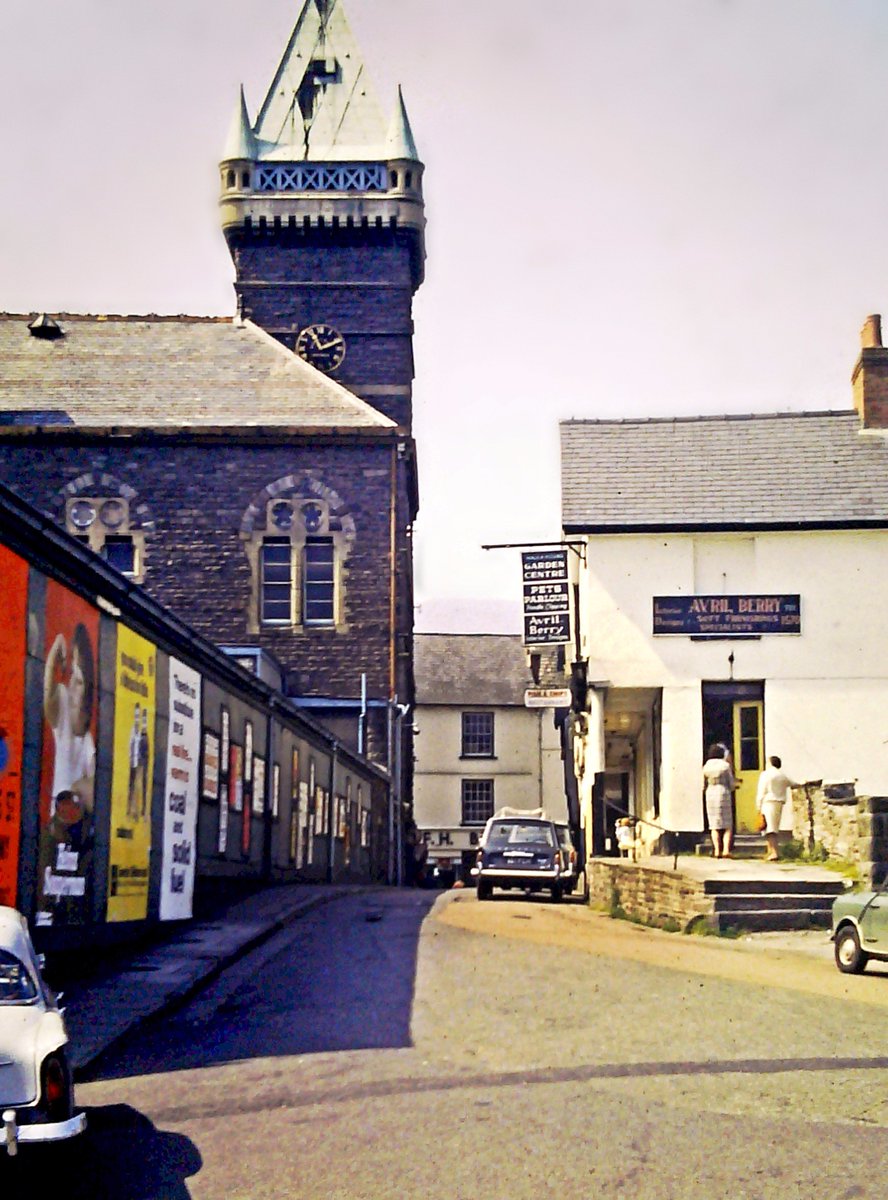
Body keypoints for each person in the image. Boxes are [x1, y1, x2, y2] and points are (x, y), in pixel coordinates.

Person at [43, 625, 96, 821]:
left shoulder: (87, 739)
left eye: (79, 682)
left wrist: (78, 788)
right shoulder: (63, 709)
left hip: (75, 824)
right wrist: (57, 646)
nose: (72, 685)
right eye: (72, 675)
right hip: (56, 821)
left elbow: (94, 784)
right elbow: (48, 694)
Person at [756, 755, 797, 861]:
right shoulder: (782, 775)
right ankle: (770, 851)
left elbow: (761, 791)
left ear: (770, 763)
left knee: (770, 828)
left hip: (768, 802)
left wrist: (758, 805)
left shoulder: (766, 774)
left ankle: (774, 852)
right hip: (779, 802)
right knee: (773, 826)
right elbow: (793, 784)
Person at [702, 743, 735, 858]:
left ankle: (716, 850)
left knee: (714, 824)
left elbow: (703, 784)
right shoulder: (725, 766)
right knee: (727, 824)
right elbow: (731, 783)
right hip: (723, 791)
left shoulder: (706, 766)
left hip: (710, 793)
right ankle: (726, 850)